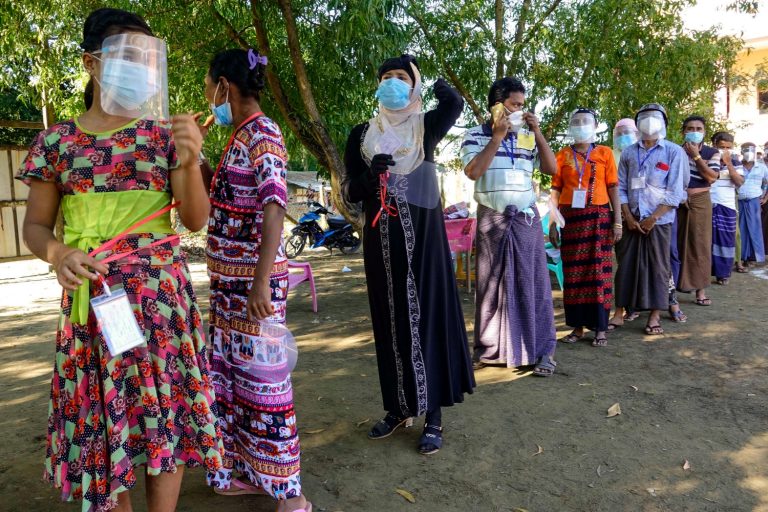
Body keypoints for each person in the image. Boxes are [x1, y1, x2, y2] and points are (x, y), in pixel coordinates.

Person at [16, 8, 222, 512]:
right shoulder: (55, 144)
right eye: (126, 55)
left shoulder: (164, 136)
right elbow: (35, 228)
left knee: (163, 418)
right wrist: (59, 252)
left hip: (161, 308)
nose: (140, 68)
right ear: (92, 63)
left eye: (145, 58)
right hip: (93, 309)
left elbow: (195, 219)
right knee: (107, 423)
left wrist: (192, 161)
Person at [341, 54, 474, 455]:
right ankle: (398, 408)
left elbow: (453, 105)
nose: (392, 83)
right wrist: (368, 177)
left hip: (423, 244)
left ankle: (433, 415)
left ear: (414, 85)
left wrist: (436, 85)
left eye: (401, 77)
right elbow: (349, 190)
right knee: (390, 320)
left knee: (424, 319)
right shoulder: (361, 134)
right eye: (385, 77)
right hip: (379, 245)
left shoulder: (425, 128)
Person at [201, 49, 311, 512]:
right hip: (228, 286)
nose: (207, 97)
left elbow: (274, 206)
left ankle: (291, 495)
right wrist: (196, 160)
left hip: (252, 287)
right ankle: (240, 471)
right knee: (230, 381)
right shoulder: (238, 136)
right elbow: (224, 198)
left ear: (225, 85)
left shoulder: (263, 133)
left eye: (209, 86)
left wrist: (261, 282)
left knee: (265, 386)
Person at [461, 77, 558, 373]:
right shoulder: (474, 135)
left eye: (522, 105)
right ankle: (492, 349)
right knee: (492, 285)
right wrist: (496, 138)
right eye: (514, 105)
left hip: (525, 219)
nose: (519, 110)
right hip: (492, 218)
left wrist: (537, 132)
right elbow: (473, 172)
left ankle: (541, 350)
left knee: (533, 283)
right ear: (496, 106)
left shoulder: (527, 136)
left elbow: (551, 169)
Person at [548, 109, 621, 347]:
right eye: (576, 122)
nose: (581, 126)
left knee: (599, 273)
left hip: (599, 218)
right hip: (570, 220)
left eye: (586, 122)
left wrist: (617, 221)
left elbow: (613, 189)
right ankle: (577, 328)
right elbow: (555, 192)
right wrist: (552, 223)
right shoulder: (561, 156)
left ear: (596, 126)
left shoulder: (604, 153)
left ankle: (600, 328)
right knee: (573, 275)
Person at [614, 103, 686, 335]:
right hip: (631, 219)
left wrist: (653, 218)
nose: (650, 121)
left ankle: (655, 314)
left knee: (658, 267)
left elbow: (675, 191)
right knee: (626, 265)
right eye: (644, 117)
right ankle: (619, 311)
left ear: (665, 122)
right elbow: (621, 188)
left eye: (655, 117)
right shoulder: (628, 152)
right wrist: (627, 216)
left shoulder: (673, 152)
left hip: (660, 221)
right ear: (637, 123)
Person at [676, 116, 719, 307]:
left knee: (700, 244)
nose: (694, 131)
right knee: (675, 244)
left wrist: (696, 156)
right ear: (683, 131)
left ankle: (700, 290)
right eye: (690, 128)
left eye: (699, 128)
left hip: (701, 201)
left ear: (704, 132)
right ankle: (673, 290)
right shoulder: (674, 150)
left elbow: (711, 177)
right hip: (677, 201)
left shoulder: (713, 152)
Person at [608, 119, 640, 330]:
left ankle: (635, 305)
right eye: (619, 133)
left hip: (640, 216)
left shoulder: (642, 153)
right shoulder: (608, 154)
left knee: (640, 263)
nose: (623, 136)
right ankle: (619, 309)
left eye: (628, 132)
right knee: (623, 263)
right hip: (615, 214)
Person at [710, 131, 744, 284]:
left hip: (727, 205)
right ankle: (703, 274)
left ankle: (723, 274)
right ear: (714, 146)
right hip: (708, 204)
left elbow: (739, 182)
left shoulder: (735, 162)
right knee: (705, 241)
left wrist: (728, 163)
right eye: (722, 146)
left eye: (728, 147)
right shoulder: (708, 158)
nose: (725, 150)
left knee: (725, 241)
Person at [737, 142, 768, 269]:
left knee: (754, 229)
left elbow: (766, 183)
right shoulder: (737, 166)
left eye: (751, 150)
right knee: (740, 229)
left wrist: (765, 197)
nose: (748, 152)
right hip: (739, 200)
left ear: (755, 152)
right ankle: (741, 257)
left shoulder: (761, 167)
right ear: (741, 151)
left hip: (754, 200)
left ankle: (753, 257)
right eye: (745, 149)